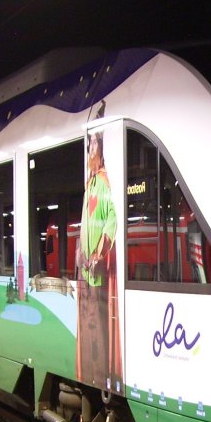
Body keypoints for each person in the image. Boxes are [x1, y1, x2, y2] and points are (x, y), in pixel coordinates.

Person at [76, 102, 122, 391]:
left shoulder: (103, 183)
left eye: (93, 144)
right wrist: (81, 252)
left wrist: (96, 253)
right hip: (86, 269)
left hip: (98, 271)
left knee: (97, 324)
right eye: (89, 144)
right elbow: (85, 222)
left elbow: (112, 219)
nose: (90, 150)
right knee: (89, 324)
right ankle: (92, 373)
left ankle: (99, 374)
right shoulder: (90, 184)